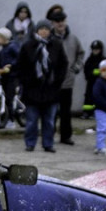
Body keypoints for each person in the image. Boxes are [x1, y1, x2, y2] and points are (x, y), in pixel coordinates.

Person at [16, 18, 67, 153]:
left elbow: (63, 64)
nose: (44, 32)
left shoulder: (56, 45)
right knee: (32, 120)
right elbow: (21, 66)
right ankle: (30, 143)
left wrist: (57, 81)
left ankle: (48, 143)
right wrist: (26, 82)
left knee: (49, 120)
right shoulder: (28, 46)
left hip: (51, 90)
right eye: (41, 29)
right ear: (37, 30)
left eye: (46, 29)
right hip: (32, 90)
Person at [48, 9, 83, 146]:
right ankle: (48, 136)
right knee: (51, 111)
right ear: (53, 23)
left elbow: (81, 54)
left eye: (62, 20)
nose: (60, 24)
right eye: (57, 21)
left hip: (67, 81)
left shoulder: (73, 38)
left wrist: (76, 68)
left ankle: (66, 136)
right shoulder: (49, 38)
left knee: (65, 111)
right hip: (52, 81)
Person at [91, 59, 106, 156]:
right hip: (102, 110)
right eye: (103, 71)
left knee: (105, 128)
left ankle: (99, 146)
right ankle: (101, 147)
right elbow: (97, 96)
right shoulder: (99, 82)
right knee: (102, 129)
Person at [81, 39, 105, 120]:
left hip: (100, 83)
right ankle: (87, 112)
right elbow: (86, 70)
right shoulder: (89, 60)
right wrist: (91, 74)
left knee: (98, 98)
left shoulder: (104, 60)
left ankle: (96, 113)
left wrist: (96, 72)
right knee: (88, 98)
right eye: (94, 49)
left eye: (97, 49)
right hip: (90, 82)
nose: (95, 51)